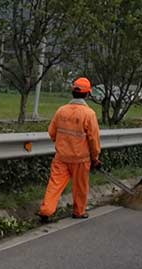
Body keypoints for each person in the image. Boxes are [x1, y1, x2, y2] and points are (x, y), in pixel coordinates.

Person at [37, 77, 101, 223]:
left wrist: (61, 142)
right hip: (81, 159)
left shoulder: (61, 111)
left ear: (73, 92)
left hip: (61, 157)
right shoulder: (89, 114)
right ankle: (79, 212)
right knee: (80, 188)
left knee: (54, 185)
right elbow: (93, 139)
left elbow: (52, 132)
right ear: (87, 94)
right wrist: (95, 157)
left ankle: (46, 210)